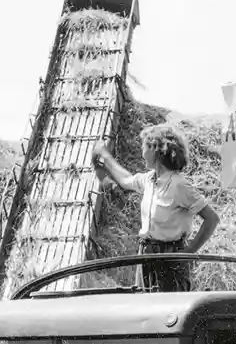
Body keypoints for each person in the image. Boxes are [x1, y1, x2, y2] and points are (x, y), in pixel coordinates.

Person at [92, 125, 219, 292]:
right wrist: (104, 156)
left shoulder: (179, 185)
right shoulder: (149, 180)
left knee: (169, 305)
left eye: (144, 146)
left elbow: (212, 219)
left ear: (155, 149)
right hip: (146, 254)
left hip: (170, 257)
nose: (141, 151)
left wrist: (188, 252)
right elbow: (125, 180)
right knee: (145, 302)